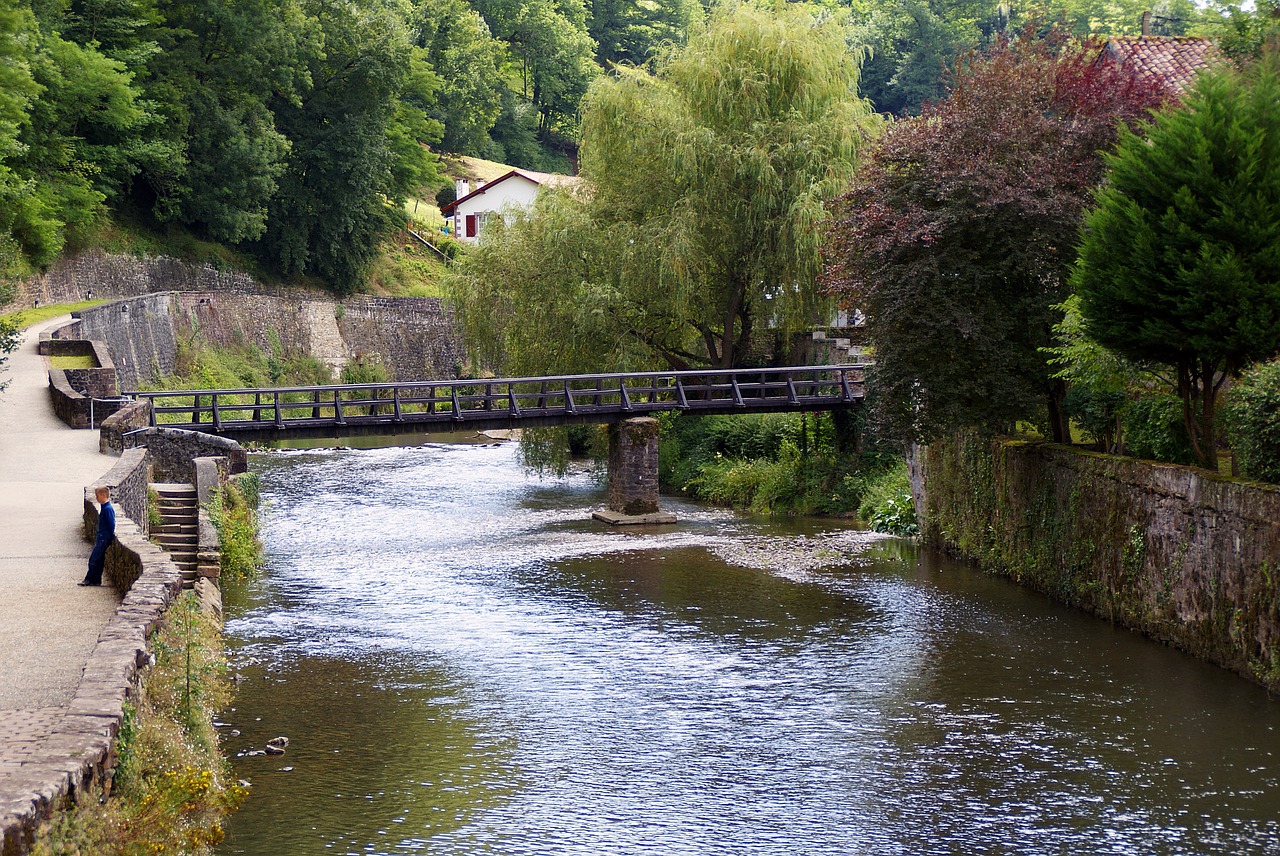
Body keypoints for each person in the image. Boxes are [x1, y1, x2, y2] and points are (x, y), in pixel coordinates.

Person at [80, 485, 115, 586]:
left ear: (103, 496)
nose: (96, 498)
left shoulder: (108, 509)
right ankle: (96, 580)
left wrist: (109, 536)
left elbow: (111, 523)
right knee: (99, 559)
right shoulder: (105, 508)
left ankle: (89, 579)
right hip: (102, 537)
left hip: (104, 538)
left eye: (97, 496)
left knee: (94, 559)